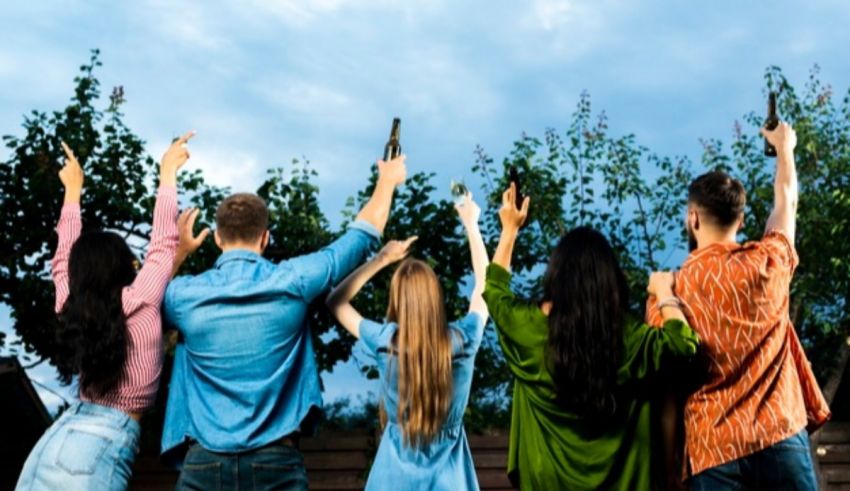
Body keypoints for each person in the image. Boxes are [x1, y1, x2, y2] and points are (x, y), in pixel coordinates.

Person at [160, 154, 407, 490]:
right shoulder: (295, 279)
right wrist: (387, 180)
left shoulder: (182, 295)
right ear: (265, 238)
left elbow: (148, 297)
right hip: (276, 461)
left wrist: (179, 253)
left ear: (217, 239)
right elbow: (362, 235)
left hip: (204, 464)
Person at [645, 122, 831, 490]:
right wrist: (785, 148)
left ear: (692, 218)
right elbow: (786, 200)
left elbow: (665, 379)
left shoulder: (671, 292)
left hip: (711, 449)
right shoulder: (769, 262)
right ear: (742, 220)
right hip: (781, 436)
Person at [483, 183, 700, 490]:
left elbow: (494, 291)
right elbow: (684, 344)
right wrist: (665, 292)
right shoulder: (631, 339)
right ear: (610, 281)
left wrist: (509, 229)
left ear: (556, 276)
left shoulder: (528, 330)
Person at [16, 134, 195, 491]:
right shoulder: (142, 299)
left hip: (57, 437)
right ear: (124, 267)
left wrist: (72, 191)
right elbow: (161, 244)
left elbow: (64, 260)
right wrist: (167, 173)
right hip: (102, 444)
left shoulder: (72, 306)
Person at [326, 192, 489, 491]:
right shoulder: (464, 339)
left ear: (397, 300)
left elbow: (336, 302)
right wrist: (471, 225)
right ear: (435, 297)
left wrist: (381, 259)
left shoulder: (385, 340)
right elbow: (485, 286)